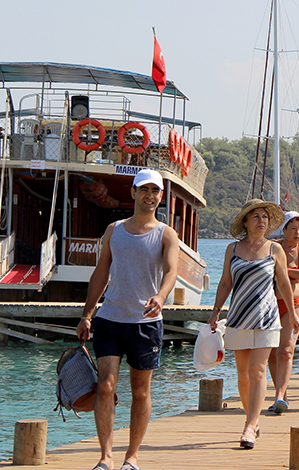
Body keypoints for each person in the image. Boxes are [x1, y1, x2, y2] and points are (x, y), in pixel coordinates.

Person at [76, 169, 180, 470]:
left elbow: (171, 271)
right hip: (110, 319)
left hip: (145, 323)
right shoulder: (115, 230)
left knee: (140, 391)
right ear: (133, 192)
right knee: (105, 385)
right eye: (144, 189)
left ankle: (131, 456)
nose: (150, 196)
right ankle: (105, 457)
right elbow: (101, 273)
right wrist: (86, 314)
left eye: (155, 191)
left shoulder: (166, 234)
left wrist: (161, 296)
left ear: (161, 196)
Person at [209, 199, 296, 449]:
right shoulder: (233, 249)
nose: (261, 220)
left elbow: (283, 283)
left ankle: (249, 425)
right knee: (243, 374)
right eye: (256, 216)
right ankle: (252, 419)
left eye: (265, 217)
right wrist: (215, 312)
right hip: (239, 317)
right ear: (245, 221)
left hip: (266, 317)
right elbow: (225, 283)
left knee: (258, 369)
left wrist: (293, 313)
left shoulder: (275, 249)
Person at [268, 211, 299, 414]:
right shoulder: (273, 247)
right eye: (293, 228)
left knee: (286, 350)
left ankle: (279, 395)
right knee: (271, 352)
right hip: (271, 302)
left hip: (294, 303)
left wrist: (283, 271)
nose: (297, 233)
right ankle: (281, 394)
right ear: (284, 229)